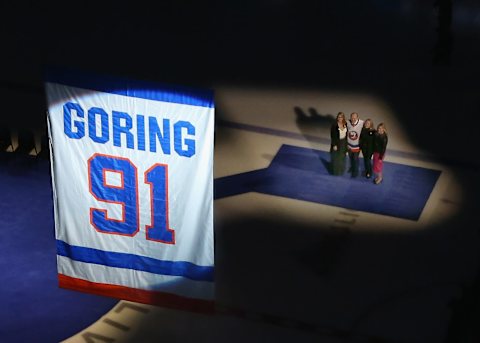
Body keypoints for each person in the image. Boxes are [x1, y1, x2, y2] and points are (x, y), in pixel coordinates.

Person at [346, 112, 364, 177]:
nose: (353, 119)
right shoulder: (347, 122)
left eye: (354, 118)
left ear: (357, 118)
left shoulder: (361, 123)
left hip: (357, 146)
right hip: (349, 145)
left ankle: (355, 172)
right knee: (351, 158)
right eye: (352, 117)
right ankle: (352, 167)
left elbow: (367, 128)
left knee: (355, 159)